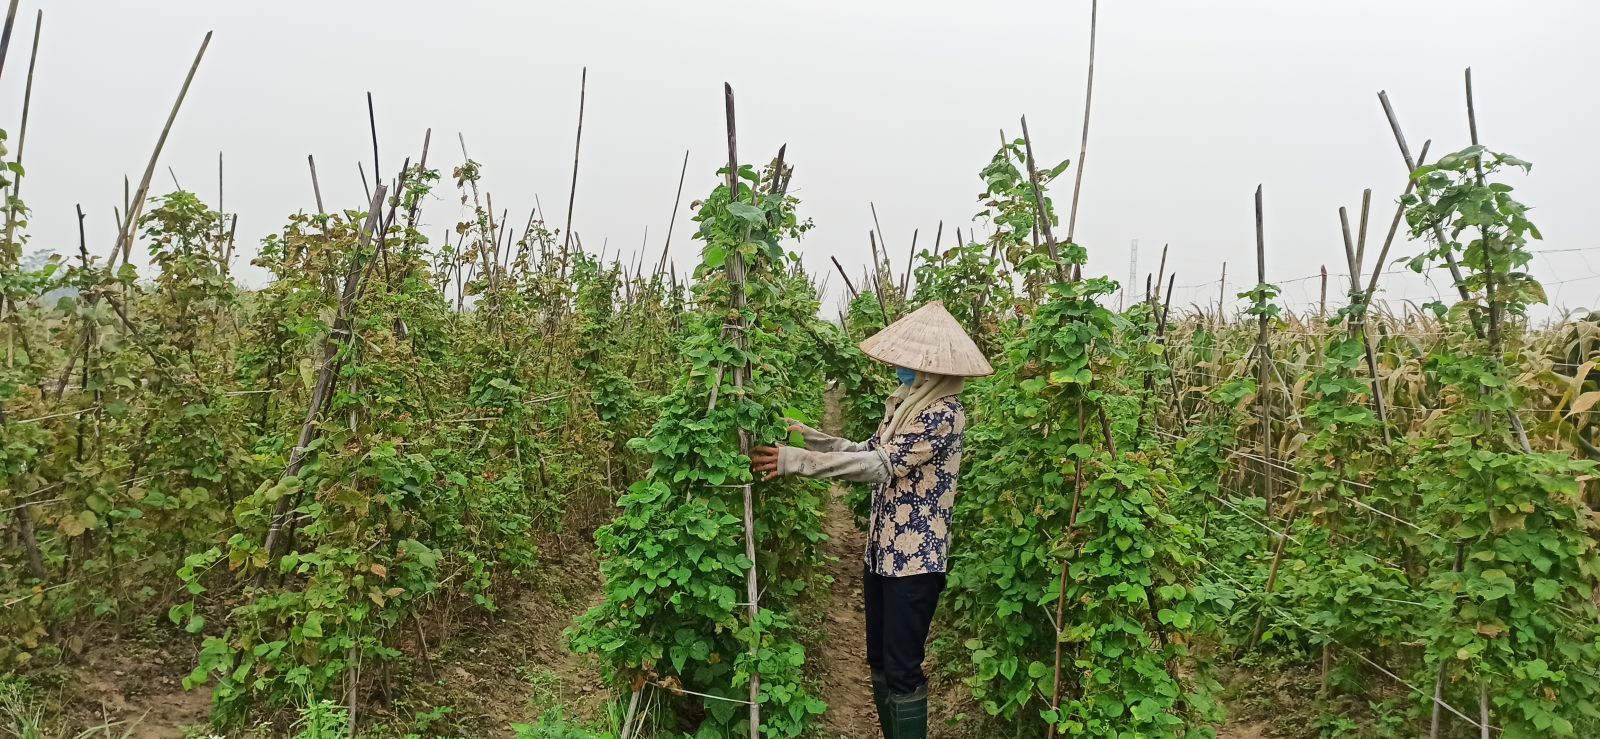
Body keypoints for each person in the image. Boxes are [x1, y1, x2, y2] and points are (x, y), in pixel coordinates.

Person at [751, 301, 993, 739]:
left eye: (910, 362)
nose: (902, 367)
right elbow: (865, 448)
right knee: (879, 662)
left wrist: (797, 461)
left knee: (902, 669)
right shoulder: (907, 404)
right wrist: (808, 435)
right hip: (883, 552)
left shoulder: (943, 414)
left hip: (914, 563)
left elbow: (880, 466)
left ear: (931, 367)